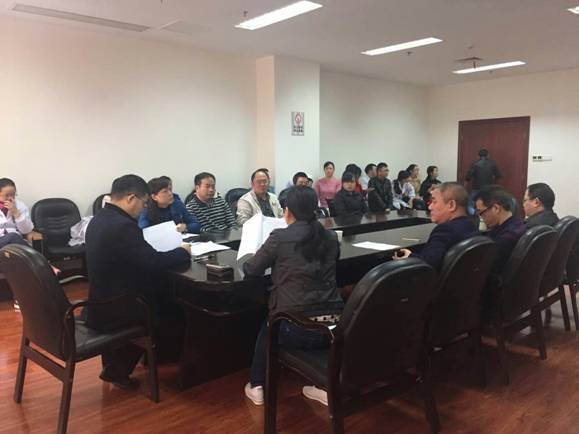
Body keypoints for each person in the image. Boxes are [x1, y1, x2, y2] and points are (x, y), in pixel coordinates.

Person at [85, 174, 191, 390]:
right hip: (119, 305)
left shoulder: (100, 218)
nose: (143, 209)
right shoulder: (122, 226)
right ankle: (121, 369)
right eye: (143, 203)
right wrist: (182, 252)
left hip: (100, 296)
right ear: (131, 198)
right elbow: (153, 261)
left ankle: (119, 365)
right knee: (171, 303)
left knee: (163, 293)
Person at [243, 186, 343, 407]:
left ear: (287, 211)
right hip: (333, 328)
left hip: (296, 329)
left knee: (267, 327)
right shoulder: (330, 237)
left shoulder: (280, 237)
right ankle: (324, 385)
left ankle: (256, 385)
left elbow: (252, 269)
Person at [393, 183, 477, 270]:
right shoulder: (471, 225)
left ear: (451, 205)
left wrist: (409, 257)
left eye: (434, 202)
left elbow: (426, 266)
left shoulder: (445, 230)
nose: (430, 207)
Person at [475, 186, 525, 273]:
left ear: (496, 208)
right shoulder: (517, 224)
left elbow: (484, 268)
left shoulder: (507, 238)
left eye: (481, 212)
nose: (481, 217)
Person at [466, 149, 501, 214]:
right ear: (488, 155)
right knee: (489, 203)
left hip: (476, 188)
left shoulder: (474, 164)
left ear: (478, 156)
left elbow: (468, 177)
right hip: (489, 189)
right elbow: (498, 176)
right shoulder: (493, 164)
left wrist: (465, 185)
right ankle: (486, 214)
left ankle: (474, 214)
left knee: (470, 204)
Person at [0, 178, 33, 248]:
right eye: (6, 195)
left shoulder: (21, 206)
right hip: (7, 239)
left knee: (13, 238)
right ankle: (33, 254)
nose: (10, 198)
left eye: (13, 195)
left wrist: (16, 213)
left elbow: (26, 231)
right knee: (12, 237)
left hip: (15, 241)